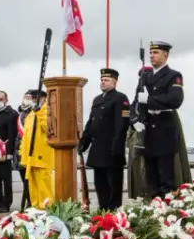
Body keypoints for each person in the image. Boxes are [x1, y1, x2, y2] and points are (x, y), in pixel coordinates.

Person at [137, 41, 185, 199]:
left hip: (164, 130)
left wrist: (150, 101)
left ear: (165, 55)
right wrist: (134, 119)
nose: (152, 56)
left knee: (166, 179)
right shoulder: (145, 77)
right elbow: (135, 102)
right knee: (151, 179)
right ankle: (153, 207)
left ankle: (166, 211)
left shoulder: (174, 76)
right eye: (151, 53)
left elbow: (175, 99)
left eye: (156, 53)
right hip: (148, 132)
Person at [79, 69, 130, 211]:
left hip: (112, 148)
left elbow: (122, 125)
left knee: (113, 183)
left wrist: (116, 146)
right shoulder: (97, 99)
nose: (102, 82)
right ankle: (102, 209)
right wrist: (84, 142)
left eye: (106, 80)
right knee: (100, 182)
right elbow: (91, 122)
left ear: (114, 82)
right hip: (98, 148)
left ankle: (113, 210)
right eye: (101, 79)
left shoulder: (120, 98)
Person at [19, 89, 54, 208]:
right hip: (31, 157)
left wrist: (39, 112)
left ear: (44, 99)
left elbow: (48, 128)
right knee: (33, 187)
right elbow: (26, 136)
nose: (34, 101)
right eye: (33, 98)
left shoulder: (47, 111)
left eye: (36, 98)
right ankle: (35, 207)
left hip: (42, 156)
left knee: (44, 186)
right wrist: (23, 156)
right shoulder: (31, 114)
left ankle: (47, 208)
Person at [15, 91, 34, 209]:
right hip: (19, 153)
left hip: (30, 152)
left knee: (31, 181)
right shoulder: (19, 114)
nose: (26, 99)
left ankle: (31, 203)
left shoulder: (34, 113)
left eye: (29, 97)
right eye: (25, 97)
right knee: (24, 181)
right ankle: (28, 202)